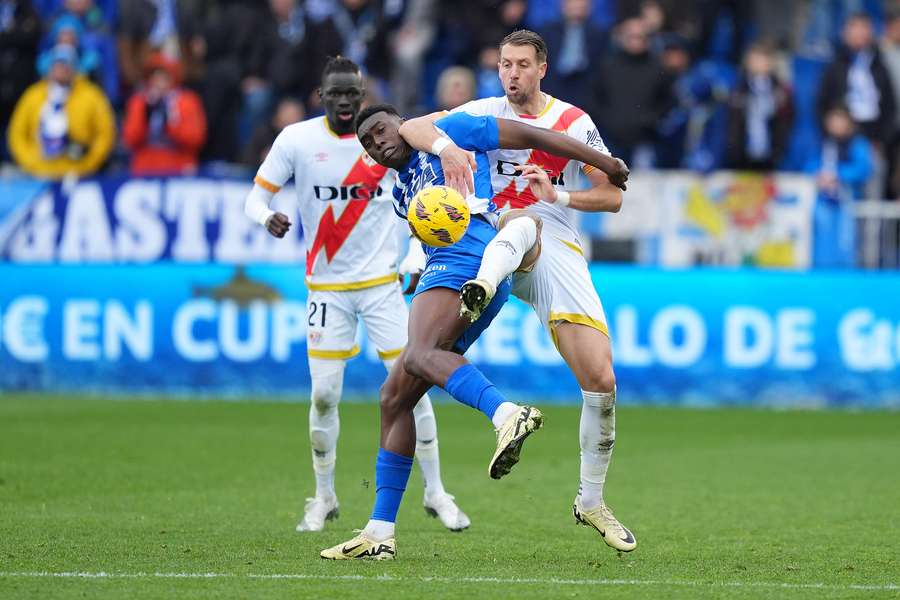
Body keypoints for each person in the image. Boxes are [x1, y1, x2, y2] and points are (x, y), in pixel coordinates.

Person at [319, 95, 629, 560]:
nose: (378, 141)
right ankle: (379, 532)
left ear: (403, 123)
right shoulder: (402, 192)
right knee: (395, 397)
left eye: (382, 129)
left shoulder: (454, 131)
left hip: (472, 258)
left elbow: (529, 135)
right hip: (448, 268)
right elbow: (426, 233)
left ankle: (506, 415)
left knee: (420, 356)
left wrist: (602, 160)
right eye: (368, 140)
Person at [394, 29, 637, 553]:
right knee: (413, 368)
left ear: (542, 68)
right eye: (505, 64)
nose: (513, 74)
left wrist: (561, 194)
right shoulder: (481, 110)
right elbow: (410, 127)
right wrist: (445, 148)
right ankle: (381, 521)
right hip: (481, 237)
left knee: (601, 379)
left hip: (549, 241)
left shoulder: (572, 122)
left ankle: (590, 502)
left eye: (523, 65)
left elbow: (613, 196)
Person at [243, 57, 469, 534]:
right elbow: (255, 197)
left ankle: (437, 492)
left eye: (352, 95)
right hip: (325, 287)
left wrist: (414, 256)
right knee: (325, 394)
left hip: (381, 286)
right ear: (320, 96)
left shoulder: (385, 141)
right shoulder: (297, 141)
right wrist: (267, 218)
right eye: (335, 95)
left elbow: (421, 204)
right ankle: (323, 496)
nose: (344, 103)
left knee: (414, 386)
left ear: (362, 96)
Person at [7, 43, 115, 179]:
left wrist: (88, 164)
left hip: (77, 174)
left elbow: (105, 134)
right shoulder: (33, 95)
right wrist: (31, 162)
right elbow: (17, 134)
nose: (61, 69)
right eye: (57, 64)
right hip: (39, 173)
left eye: (66, 64)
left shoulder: (91, 96)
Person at [805, 105, 872, 268]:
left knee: (846, 243)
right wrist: (819, 174)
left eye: (840, 119)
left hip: (847, 202)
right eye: (833, 119)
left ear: (848, 122)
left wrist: (838, 174)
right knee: (821, 242)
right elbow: (808, 164)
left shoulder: (857, 144)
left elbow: (864, 168)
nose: (836, 124)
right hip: (823, 201)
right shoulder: (822, 143)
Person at [122, 52, 206, 176]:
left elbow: (195, 139)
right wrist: (145, 116)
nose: (160, 81)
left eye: (164, 76)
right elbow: (130, 140)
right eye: (156, 76)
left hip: (178, 168)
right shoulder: (140, 101)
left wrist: (170, 124)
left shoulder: (187, 101)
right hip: (145, 169)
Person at [726, 43, 793, 171]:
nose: (759, 64)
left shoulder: (781, 90)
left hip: (770, 154)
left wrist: (779, 148)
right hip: (741, 154)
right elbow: (731, 121)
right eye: (755, 59)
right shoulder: (737, 88)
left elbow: (786, 120)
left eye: (763, 59)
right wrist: (733, 147)